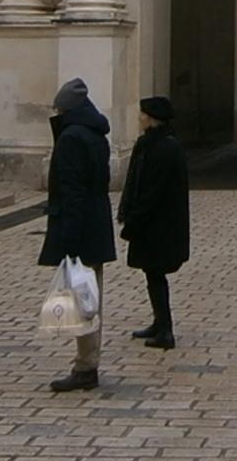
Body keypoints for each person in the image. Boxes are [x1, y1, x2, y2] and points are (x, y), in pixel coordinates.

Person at [38, 78, 115, 392]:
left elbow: (72, 192)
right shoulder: (96, 135)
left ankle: (86, 365)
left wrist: (69, 240)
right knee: (91, 296)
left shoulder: (71, 138)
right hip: (96, 224)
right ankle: (88, 361)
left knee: (84, 299)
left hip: (80, 228)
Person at [118, 95, 189, 351]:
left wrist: (134, 222)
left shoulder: (164, 148)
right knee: (153, 275)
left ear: (151, 118)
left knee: (156, 275)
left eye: (142, 114)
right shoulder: (152, 144)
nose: (139, 118)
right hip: (156, 224)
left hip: (159, 225)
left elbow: (152, 191)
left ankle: (165, 330)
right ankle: (159, 322)